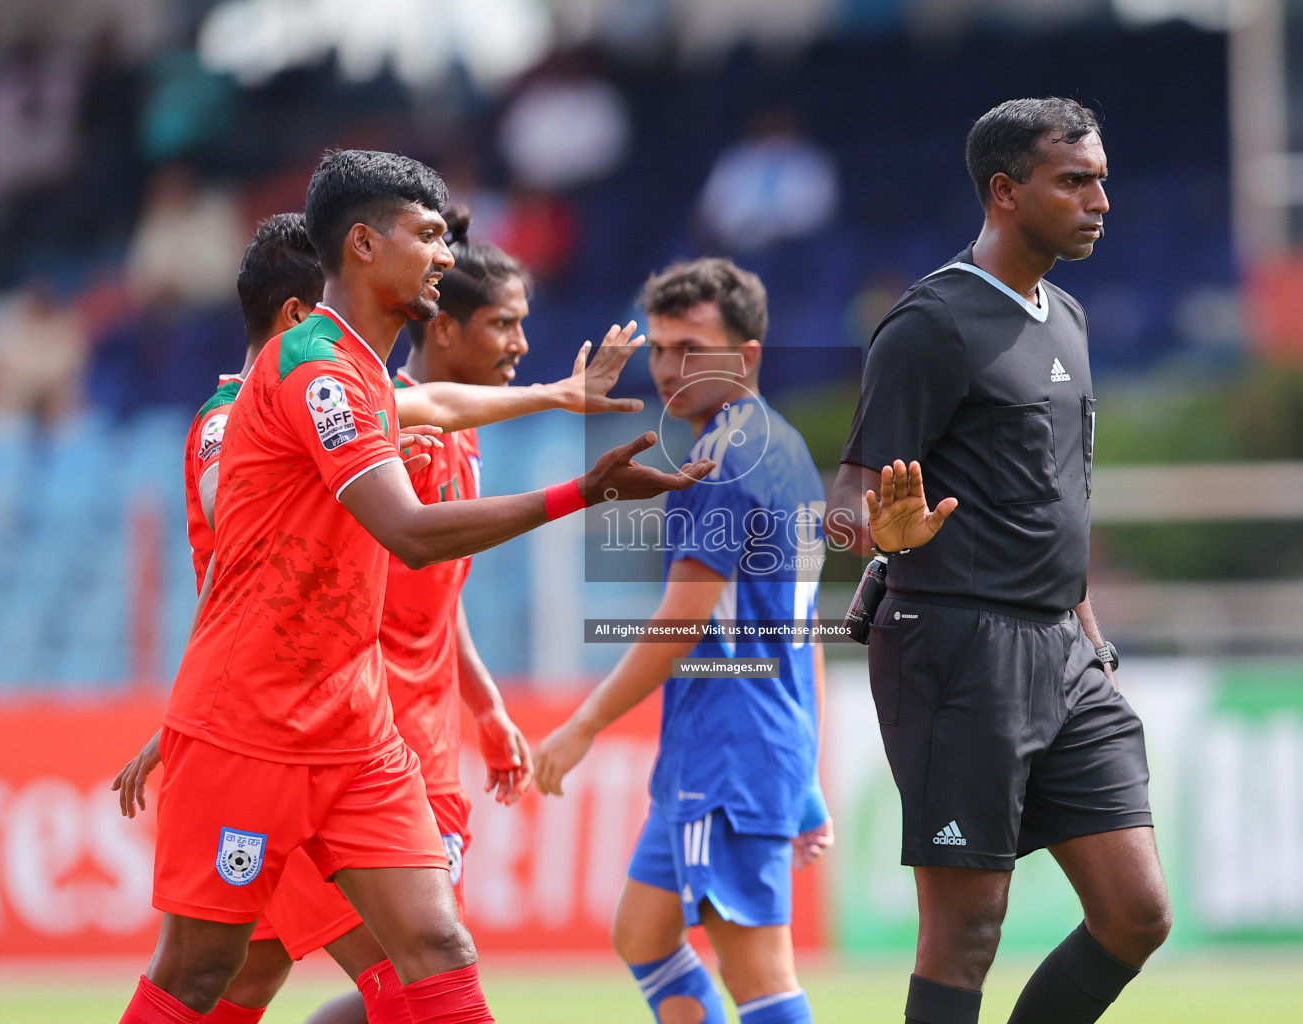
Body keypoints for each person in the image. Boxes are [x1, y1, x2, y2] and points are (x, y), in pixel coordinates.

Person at [115, 149, 713, 1024]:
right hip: (252, 724)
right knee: (205, 975)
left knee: (436, 953)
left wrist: (557, 395)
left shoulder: (361, 375)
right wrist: (580, 493)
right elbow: (406, 533)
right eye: (427, 235)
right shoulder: (313, 367)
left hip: (355, 726)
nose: (446, 255)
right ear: (360, 244)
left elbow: (431, 406)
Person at [827, 98, 1171, 1024]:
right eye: (1075, 181)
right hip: (955, 647)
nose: (1101, 199)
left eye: (1102, 179)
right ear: (1006, 192)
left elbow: (1058, 494)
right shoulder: (931, 322)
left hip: (1063, 649)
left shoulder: (1068, 316)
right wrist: (880, 535)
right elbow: (842, 508)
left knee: (1136, 913)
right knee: (968, 929)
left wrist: (1087, 633)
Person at [534, 257, 831, 1024]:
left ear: (748, 357)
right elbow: (807, 634)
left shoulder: (726, 464)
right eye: (659, 348)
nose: (668, 367)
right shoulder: (782, 445)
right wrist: (807, 777)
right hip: (744, 744)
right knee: (641, 932)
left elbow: (680, 623)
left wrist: (582, 725)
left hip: (729, 750)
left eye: (691, 347)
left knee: (757, 971)